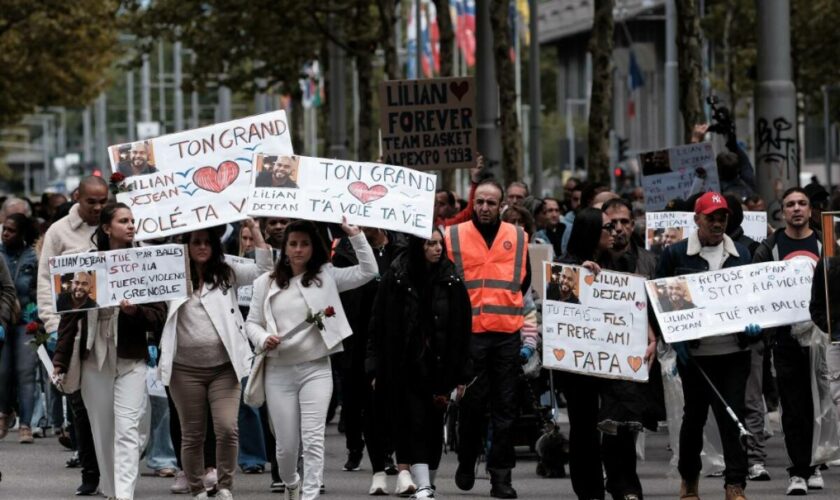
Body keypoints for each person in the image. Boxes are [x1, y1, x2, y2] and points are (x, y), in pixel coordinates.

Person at [245, 218, 378, 500]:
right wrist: (262, 338)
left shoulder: (327, 276)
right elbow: (252, 323)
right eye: (293, 244)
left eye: (304, 244)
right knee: (286, 447)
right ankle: (291, 481)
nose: (298, 250)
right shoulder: (264, 283)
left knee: (314, 438)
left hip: (316, 368)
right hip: (278, 372)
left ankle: (309, 494)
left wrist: (356, 236)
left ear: (313, 247)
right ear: (284, 247)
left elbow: (369, 271)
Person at [52, 202, 166, 500]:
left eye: (132, 220)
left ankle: (125, 494)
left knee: (128, 429)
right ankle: (113, 490)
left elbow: (159, 315)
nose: (130, 226)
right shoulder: (85, 264)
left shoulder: (144, 262)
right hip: (94, 360)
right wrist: (60, 361)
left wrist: (135, 312)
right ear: (106, 228)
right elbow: (70, 316)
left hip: (131, 359)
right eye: (123, 221)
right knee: (103, 431)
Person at [656, 192, 760, 500]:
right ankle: (690, 481)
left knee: (733, 419)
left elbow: (754, 298)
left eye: (722, 217)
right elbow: (659, 302)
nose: (717, 223)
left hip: (733, 352)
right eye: (711, 217)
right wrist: (674, 339)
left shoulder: (742, 253)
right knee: (694, 419)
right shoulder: (676, 255)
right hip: (696, 356)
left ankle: (735, 484)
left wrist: (755, 328)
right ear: (697, 219)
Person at [158, 220, 273, 500]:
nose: (202, 247)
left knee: (227, 428)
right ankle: (196, 488)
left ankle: (224, 486)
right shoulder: (170, 275)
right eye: (196, 242)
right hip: (184, 371)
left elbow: (264, 269)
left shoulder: (227, 273)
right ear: (186, 246)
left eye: (207, 242)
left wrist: (255, 231)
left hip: (224, 369)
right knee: (193, 434)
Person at [367, 227, 472, 499]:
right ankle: (422, 482)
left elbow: (462, 328)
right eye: (430, 244)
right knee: (414, 421)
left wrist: (461, 374)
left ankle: (430, 479)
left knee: (434, 425)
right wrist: (375, 365)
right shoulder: (397, 275)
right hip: (405, 364)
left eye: (440, 244)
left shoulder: (451, 279)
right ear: (418, 246)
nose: (437, 249)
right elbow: (379, 322)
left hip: (441, 365)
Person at [446, 179, 530, 499]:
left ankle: (501, 476)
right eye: (479, 202)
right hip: (470, 336)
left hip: (506, 333)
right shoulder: (453, 236)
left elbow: (523, 284)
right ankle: (467, 460)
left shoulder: (518, 237)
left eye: (490, 203)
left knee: (506, 410)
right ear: (473, 202)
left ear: (501, 206)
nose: (484, 208)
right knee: (471, 407)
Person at [37, 176, 108, 496]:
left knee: (109, 405)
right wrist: (52, 326)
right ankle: (90, 472)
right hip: (73, 333)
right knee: (79, 405)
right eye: (91, 201)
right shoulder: (59, 232)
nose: (97, 207)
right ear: (78, 197)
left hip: (108, 331)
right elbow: (44, 281)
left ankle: (112, 470)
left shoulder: (111, 226)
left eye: (102, 201)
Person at [752, 187, 826, 495]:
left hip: (823, 338)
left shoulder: (827, 242)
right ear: (782, 212)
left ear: (811, 210)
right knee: (794, 405)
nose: (796, 209)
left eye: (802, 204)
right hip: (784, 340)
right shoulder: (769, 247)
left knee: (822, 404)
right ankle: (798, 471)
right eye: (790, 205)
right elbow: (755, 287)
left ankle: (817, 463)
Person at [331, 226, 407, 495]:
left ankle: (386, 452)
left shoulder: (400, 250)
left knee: (383, 397)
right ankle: (355, 445)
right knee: (355, 397)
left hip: (387, 335)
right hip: (355, 332)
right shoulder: (344, 251)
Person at [0, 214, 38, 444]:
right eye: (4, 229)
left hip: (26, 321)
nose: (5, 234)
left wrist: (36, 311)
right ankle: (4, 413)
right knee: (2, 372)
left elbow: (37, 287)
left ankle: (26, 424)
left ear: (22, 233)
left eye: (11, 230)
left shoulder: (33, 256)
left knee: (26, 372)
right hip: (3, 321)